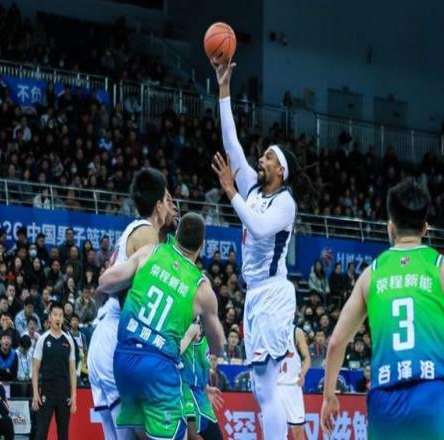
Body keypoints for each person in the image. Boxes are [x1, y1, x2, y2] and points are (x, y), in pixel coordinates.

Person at [320, 178, 444, 439]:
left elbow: (336, 342)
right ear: (425, 228)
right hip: (432, 396)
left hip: (384, 404)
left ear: (390, 226)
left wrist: (329, 396)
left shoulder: (371, 274)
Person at [211, 60, 309, 440]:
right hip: (254, 295)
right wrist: (224, 89)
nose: (260, 159)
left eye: (268, 156)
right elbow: (231, 143)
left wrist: (230, 192)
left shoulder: (286, 202)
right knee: (260, 389)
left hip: (274, 293)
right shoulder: (252, 186)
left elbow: (259, 226)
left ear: (280, 169)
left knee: (267, 388)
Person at [96, 213, 225, 440]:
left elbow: (105, 282)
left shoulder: (150, 252)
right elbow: (218, 346)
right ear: (202, 246)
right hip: (157, 366)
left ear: (176, 235)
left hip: (123, 360)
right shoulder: (202, 287)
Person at [87, 168, 177, 440]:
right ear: (158, 205)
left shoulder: (135, 231)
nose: (173, 206)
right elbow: (144, 300)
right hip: (117, 338)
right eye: (169, 200)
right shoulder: (147, 233)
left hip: (104, 338)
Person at [32, 302, 77, 440]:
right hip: (47, 391)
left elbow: (72, 371)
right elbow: (35, 369)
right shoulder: (42, 339)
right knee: (41, 434)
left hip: (64, 392)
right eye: (55, 315)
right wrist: (35, 393)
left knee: (63, 434)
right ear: (49, 318)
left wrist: (74, 396)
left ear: (63, 318)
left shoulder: (68, 340)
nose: (58, 318)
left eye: (60, 315)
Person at [181, 321, 224, 440]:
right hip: (188, 393)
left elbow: (197, 367)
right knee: (192, 435)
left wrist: (206, 387)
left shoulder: (205, 339)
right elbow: (172, 353)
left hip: (201, 396)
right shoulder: (192, 329)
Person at [277, 326, 311, 440]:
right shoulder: (268, 329)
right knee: (272, 431)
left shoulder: (296, 332)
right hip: (274, 387)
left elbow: (307, 358)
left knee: (298, 433)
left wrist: (303, 373)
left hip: (292, 387)